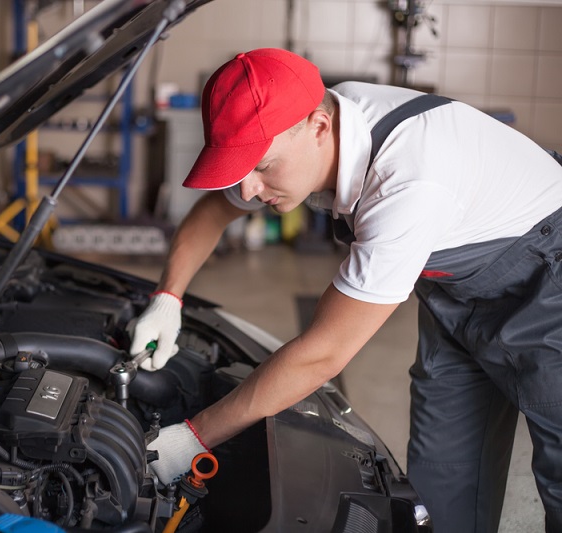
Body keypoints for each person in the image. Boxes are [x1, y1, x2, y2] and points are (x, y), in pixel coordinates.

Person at [130, 47, 562, 532]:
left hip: (548, 278)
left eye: (263, 167)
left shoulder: (408, 181)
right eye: (240, 170)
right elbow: (214, 212)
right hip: (456, 289)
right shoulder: (313, 121)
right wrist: (168, 298)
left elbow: (323, 354)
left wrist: (192, 439)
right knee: (444, 476)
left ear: (318, 127)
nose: (248, 190)